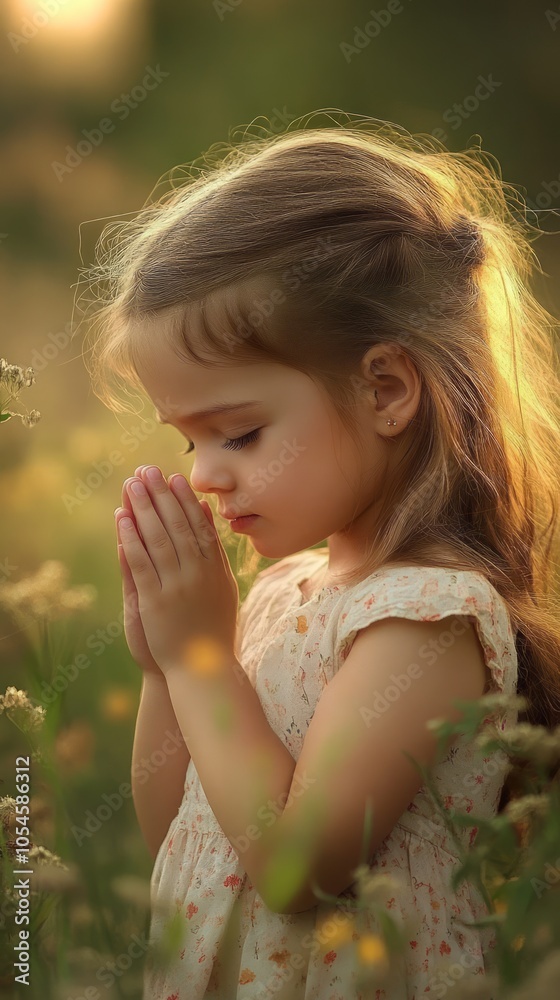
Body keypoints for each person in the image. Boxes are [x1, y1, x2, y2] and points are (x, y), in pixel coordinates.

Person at [82, 114, 560, 999]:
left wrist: (199, 660)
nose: (210, 478)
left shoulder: (424, 618)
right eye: (190, 445)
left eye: (238, 432)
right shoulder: (280, 591)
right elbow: (180, 838)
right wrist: (166, 665)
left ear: (385, 389)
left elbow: (296, 868)